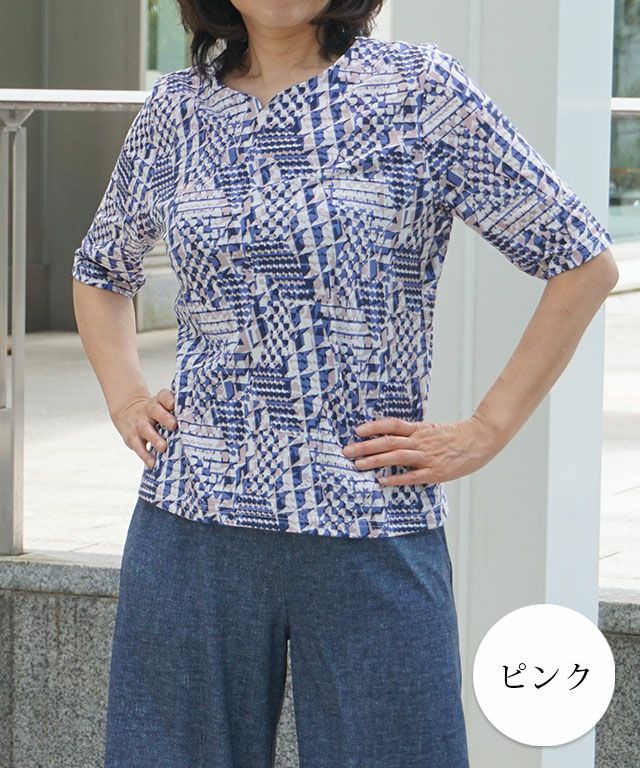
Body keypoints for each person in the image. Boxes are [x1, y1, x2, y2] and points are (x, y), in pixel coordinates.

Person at [71, 1, 618, 766]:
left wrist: (485, 430)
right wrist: (127, 395)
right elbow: (101, 269)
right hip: (193, 516)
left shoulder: (417, 89)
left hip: (367, 514)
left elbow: (584, 262)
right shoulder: (177, 107)